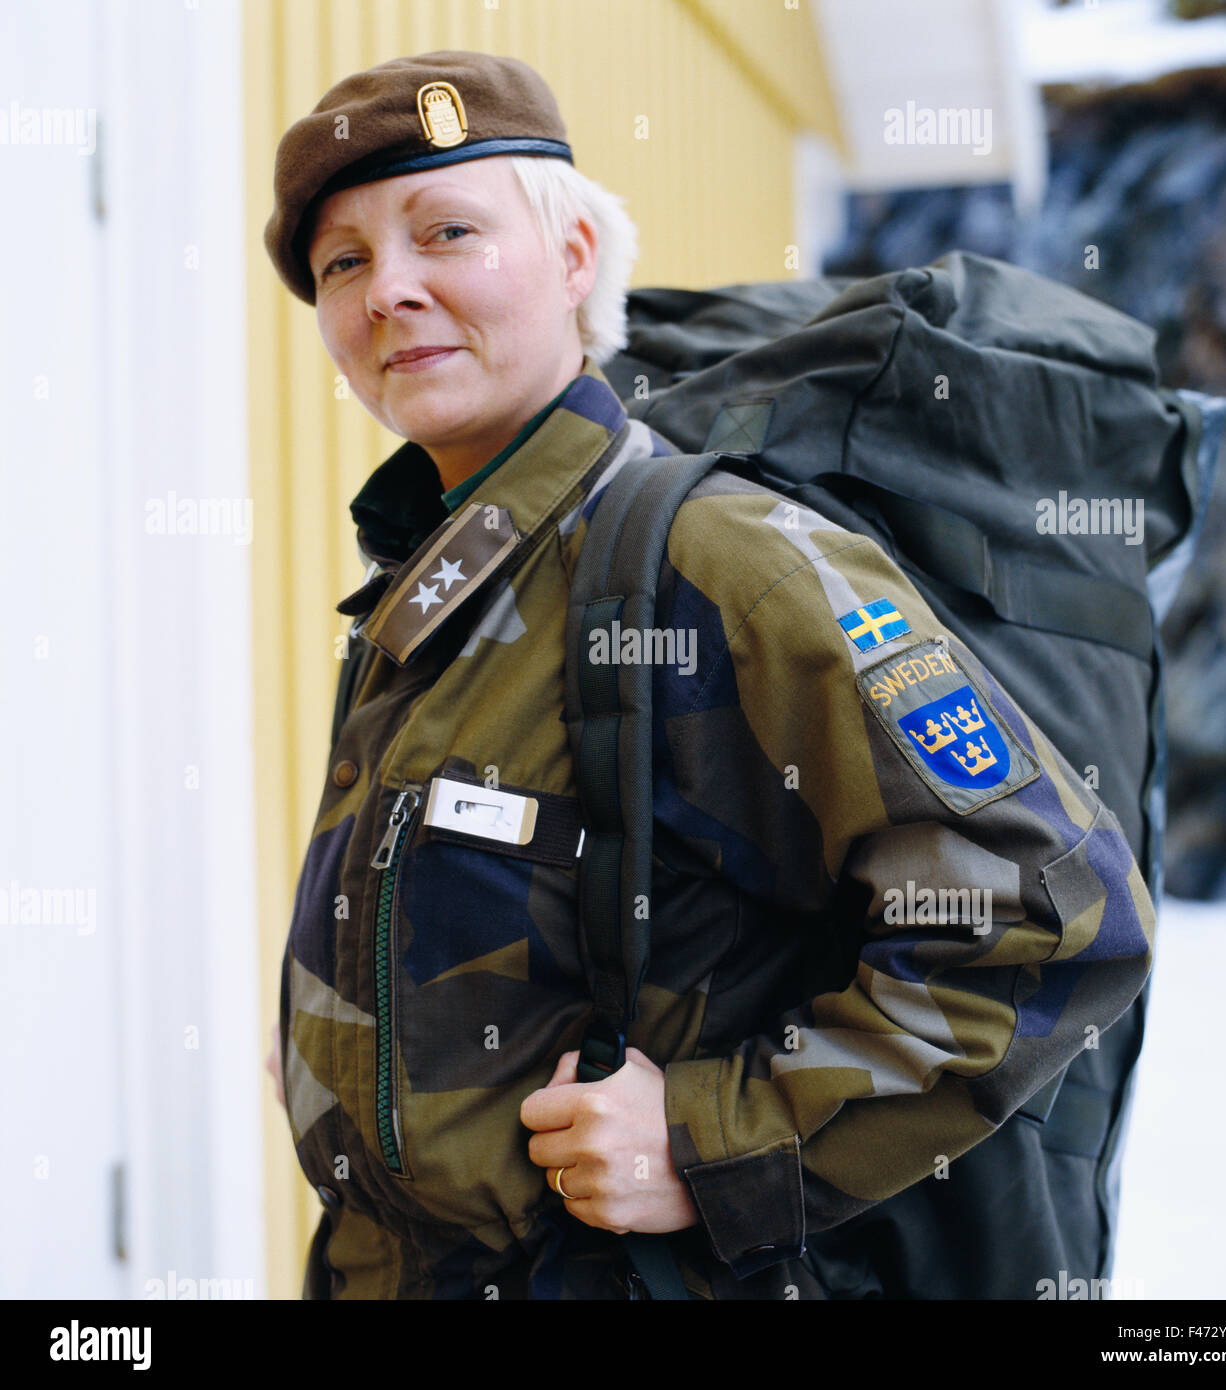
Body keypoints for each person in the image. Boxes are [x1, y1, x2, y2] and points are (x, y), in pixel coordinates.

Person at [262, 50, 1155, 1300]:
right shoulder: (431, 587)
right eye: (342, 261)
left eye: (445, 231)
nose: (386, 290)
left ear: (574, 260)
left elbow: (1045, 910)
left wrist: (709, 1139)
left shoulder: (712, 560)